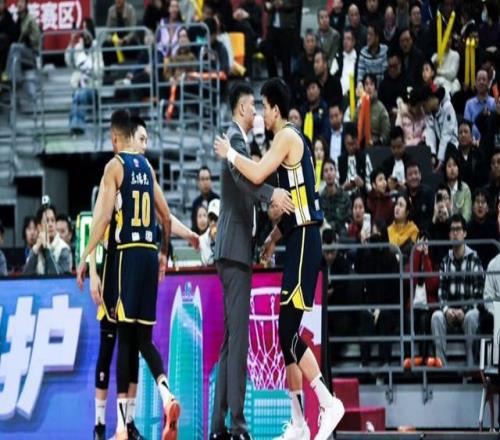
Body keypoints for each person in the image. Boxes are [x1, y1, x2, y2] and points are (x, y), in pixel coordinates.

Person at [214, 78, 345, 440]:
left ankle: (328, 402)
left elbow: (256, 175)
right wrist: (272, 240)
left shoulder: (286, 136)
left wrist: (230, 154)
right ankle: (299, 423)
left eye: (264, 107)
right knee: (284, 335)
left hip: (305, 240)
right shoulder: (288, 140)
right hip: (296, 237)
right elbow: (287, 204)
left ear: (275, 108)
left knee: (287, 332)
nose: (261, 115)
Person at [85, 115, 199, 440]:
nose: (146, 145)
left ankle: (123, 425)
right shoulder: (139, 171)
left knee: (124, 341)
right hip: (129, 262)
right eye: (143, 139)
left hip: (124, 262)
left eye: (148, 140)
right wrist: (93, 270)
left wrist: (85, 261)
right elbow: (102, 220)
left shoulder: (123, 169)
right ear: (129, 138)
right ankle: (140, 409)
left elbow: (102, 222)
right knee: (131, 342)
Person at [210, 83, 294, 440]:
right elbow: (248, 182)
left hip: (235, 249)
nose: (257, 113)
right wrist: (273, 194)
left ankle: (219, 427)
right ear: (242, 108)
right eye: (253, 107)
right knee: (239, 340)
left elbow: (248, 184)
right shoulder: (234, 140)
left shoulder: (237, 142)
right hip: (233, 251)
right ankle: (238, 424)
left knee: (232, 342)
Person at [431, 214, 484, 367]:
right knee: (436, 316)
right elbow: (441, 293)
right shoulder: (445, 261)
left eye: (458, 229)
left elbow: (479, 293)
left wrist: (464, 310)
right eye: (452, 230)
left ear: (464, 233)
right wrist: (447, 310)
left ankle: (471, 365)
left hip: (467, 311)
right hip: (450, 313)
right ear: (449, 234)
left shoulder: (474, 258)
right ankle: (442, 365)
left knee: (472, 316)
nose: (455, 233)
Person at [24, 204, 72, 275]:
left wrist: (47, 250)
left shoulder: (64, 249)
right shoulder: (35, 249)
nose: (50, 224)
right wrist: (35, 251)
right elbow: (25, 277)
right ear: (39, 226)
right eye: (47, 221)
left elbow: (59, 279)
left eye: (53, 220)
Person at [320, 158, 351, 233]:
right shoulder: (320, 199)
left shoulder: (345, 196)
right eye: (326, 171)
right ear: (323, 175)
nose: (329, 173)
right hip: (326, 234)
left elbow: (349, 220)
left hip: (343, 234)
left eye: (331, 169)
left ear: (336, 172)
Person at [443, 153, 472, 222]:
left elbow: (467, 214)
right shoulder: (441, 189)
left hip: (462, 226)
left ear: (458, 168)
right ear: (445, 169)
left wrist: (459, 225)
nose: (452, 169)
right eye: (449, 166)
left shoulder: (465, 188)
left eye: (455, 165)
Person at [191, 166, 219, 232]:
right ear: (198, 182)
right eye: (202, 179)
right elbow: (194, 227)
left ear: (211, 181)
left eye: (207, 179)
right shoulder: (195, 203)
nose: (205, 182)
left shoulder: (217, 200)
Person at [200, 199, 219, 265]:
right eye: (211, 218)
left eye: (216, 218)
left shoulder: (228, 240)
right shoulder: (201, 240)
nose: (213, 223)